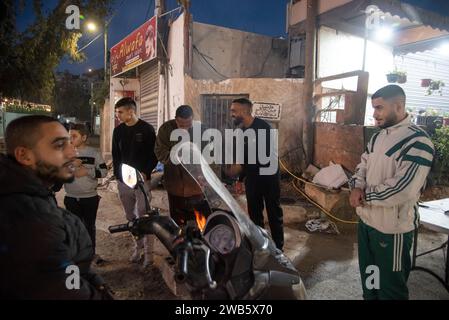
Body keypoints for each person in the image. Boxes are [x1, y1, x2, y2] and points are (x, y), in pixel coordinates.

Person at [0, 115, 113, 299]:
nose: (72, 153)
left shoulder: (28, 195)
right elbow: (68, 289)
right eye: (59, 145)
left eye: (70, 142)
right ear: (24, 155)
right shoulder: (29, 223)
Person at [349, 85, 434, 300]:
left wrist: (364, 195)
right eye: (374, 108)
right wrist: (357, 186)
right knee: (370, 280)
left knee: (390, 290)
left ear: (398, 106)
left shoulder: (418, 141)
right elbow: (363, 165)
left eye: (379, 108)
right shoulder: (377, 137)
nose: (375, 114)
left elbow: (403, 189)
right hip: (366, 223)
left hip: (392, 229)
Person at [227, 98, 284, 250]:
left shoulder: (264, 127)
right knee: (254, 215)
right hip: (252, 178)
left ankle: (279, 249)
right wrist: (240, 179)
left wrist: (239, 169)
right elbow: (242, 156)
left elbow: (260, 157)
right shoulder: (240, 131)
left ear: (245, 111)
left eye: (234, 111)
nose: (231, 114)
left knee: (274, 213)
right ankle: (260, 247)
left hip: (269, 177)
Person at [112, 97, 158, 268]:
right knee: (131, 217)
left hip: (141, 182)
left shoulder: (146, 129)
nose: (117, 115)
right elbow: (116, 156)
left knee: (144, 216)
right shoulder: (118, 132)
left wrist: (146, 172)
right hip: (123, 182)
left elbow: (154, 154)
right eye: (117, 112)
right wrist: (118, 176)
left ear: (131, 111)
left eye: (120, 112)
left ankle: (149, 255)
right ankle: (137, 249)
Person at [155, 105, 210, 226]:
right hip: (175, 184)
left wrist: (205, 175)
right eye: (181, 125)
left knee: (199, 219)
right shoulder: (166, 129)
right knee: (177, 219)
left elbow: (209, 155)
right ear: (176, 119)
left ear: (193, 119)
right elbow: (160, 152)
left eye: (188, 125)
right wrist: (176, 157)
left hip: (196, 184)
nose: (185, 128)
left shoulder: (201, 130)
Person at [64, 123, 107, 265]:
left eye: (74, 136)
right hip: (70, 198)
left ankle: (90, 254)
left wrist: (87, 171)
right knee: (73, 227)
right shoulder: (65, 153)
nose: (71, 139)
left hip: (90, 198)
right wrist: (71, 165)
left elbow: (104, 172)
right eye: (69, 136)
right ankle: (77, 255)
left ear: (84, 137)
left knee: (89, 226)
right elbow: (58, 172)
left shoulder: (94, 153)